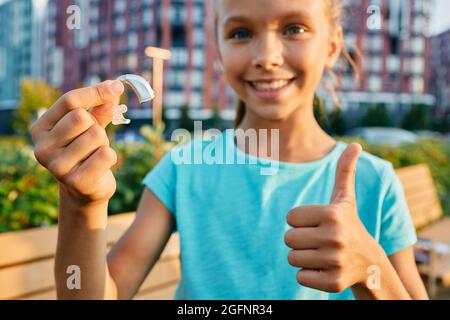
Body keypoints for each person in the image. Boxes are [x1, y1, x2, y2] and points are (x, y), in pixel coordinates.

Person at [31, 0, 428, 299]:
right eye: (240, 33)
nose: (266, 57)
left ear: (331, 45)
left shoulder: (374, 181)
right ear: (218, 51)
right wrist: (81, 206)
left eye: (294, 29)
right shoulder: (184, 168)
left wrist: (372, 270)